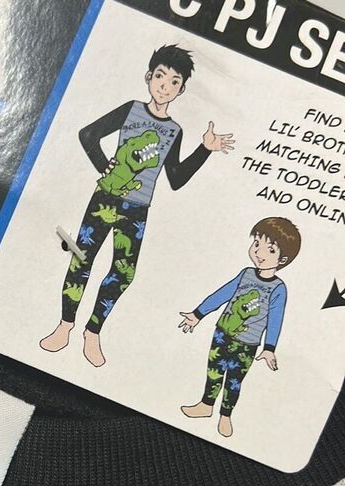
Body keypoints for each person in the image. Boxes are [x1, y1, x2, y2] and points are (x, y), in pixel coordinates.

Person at [40, 45, 234, 367]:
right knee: (81, 259)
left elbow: (176, 178)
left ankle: (92, 331)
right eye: (160, 76)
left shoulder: (174, 131)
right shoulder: (131, 109)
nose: (165, 86)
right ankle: (65, 325)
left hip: (137, 208)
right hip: (106, 196)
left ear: (181, 90)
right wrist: (104, 166)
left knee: (123, 272)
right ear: (148, 77)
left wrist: (204, 149)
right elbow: (88, 135)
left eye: (174, 82)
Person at [179, 216, 302, 437]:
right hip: (222, 333)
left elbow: (276, 318)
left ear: (282, 259)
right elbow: (223, 294)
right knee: (214, 372)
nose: (259, 253)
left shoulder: (278, 288)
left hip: (248, 343)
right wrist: (198, 314)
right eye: (256, 244)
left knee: (234, 381)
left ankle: (225, 415)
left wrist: (269, 348)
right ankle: (206, 405)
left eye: (270, 250)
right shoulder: (246, 274)